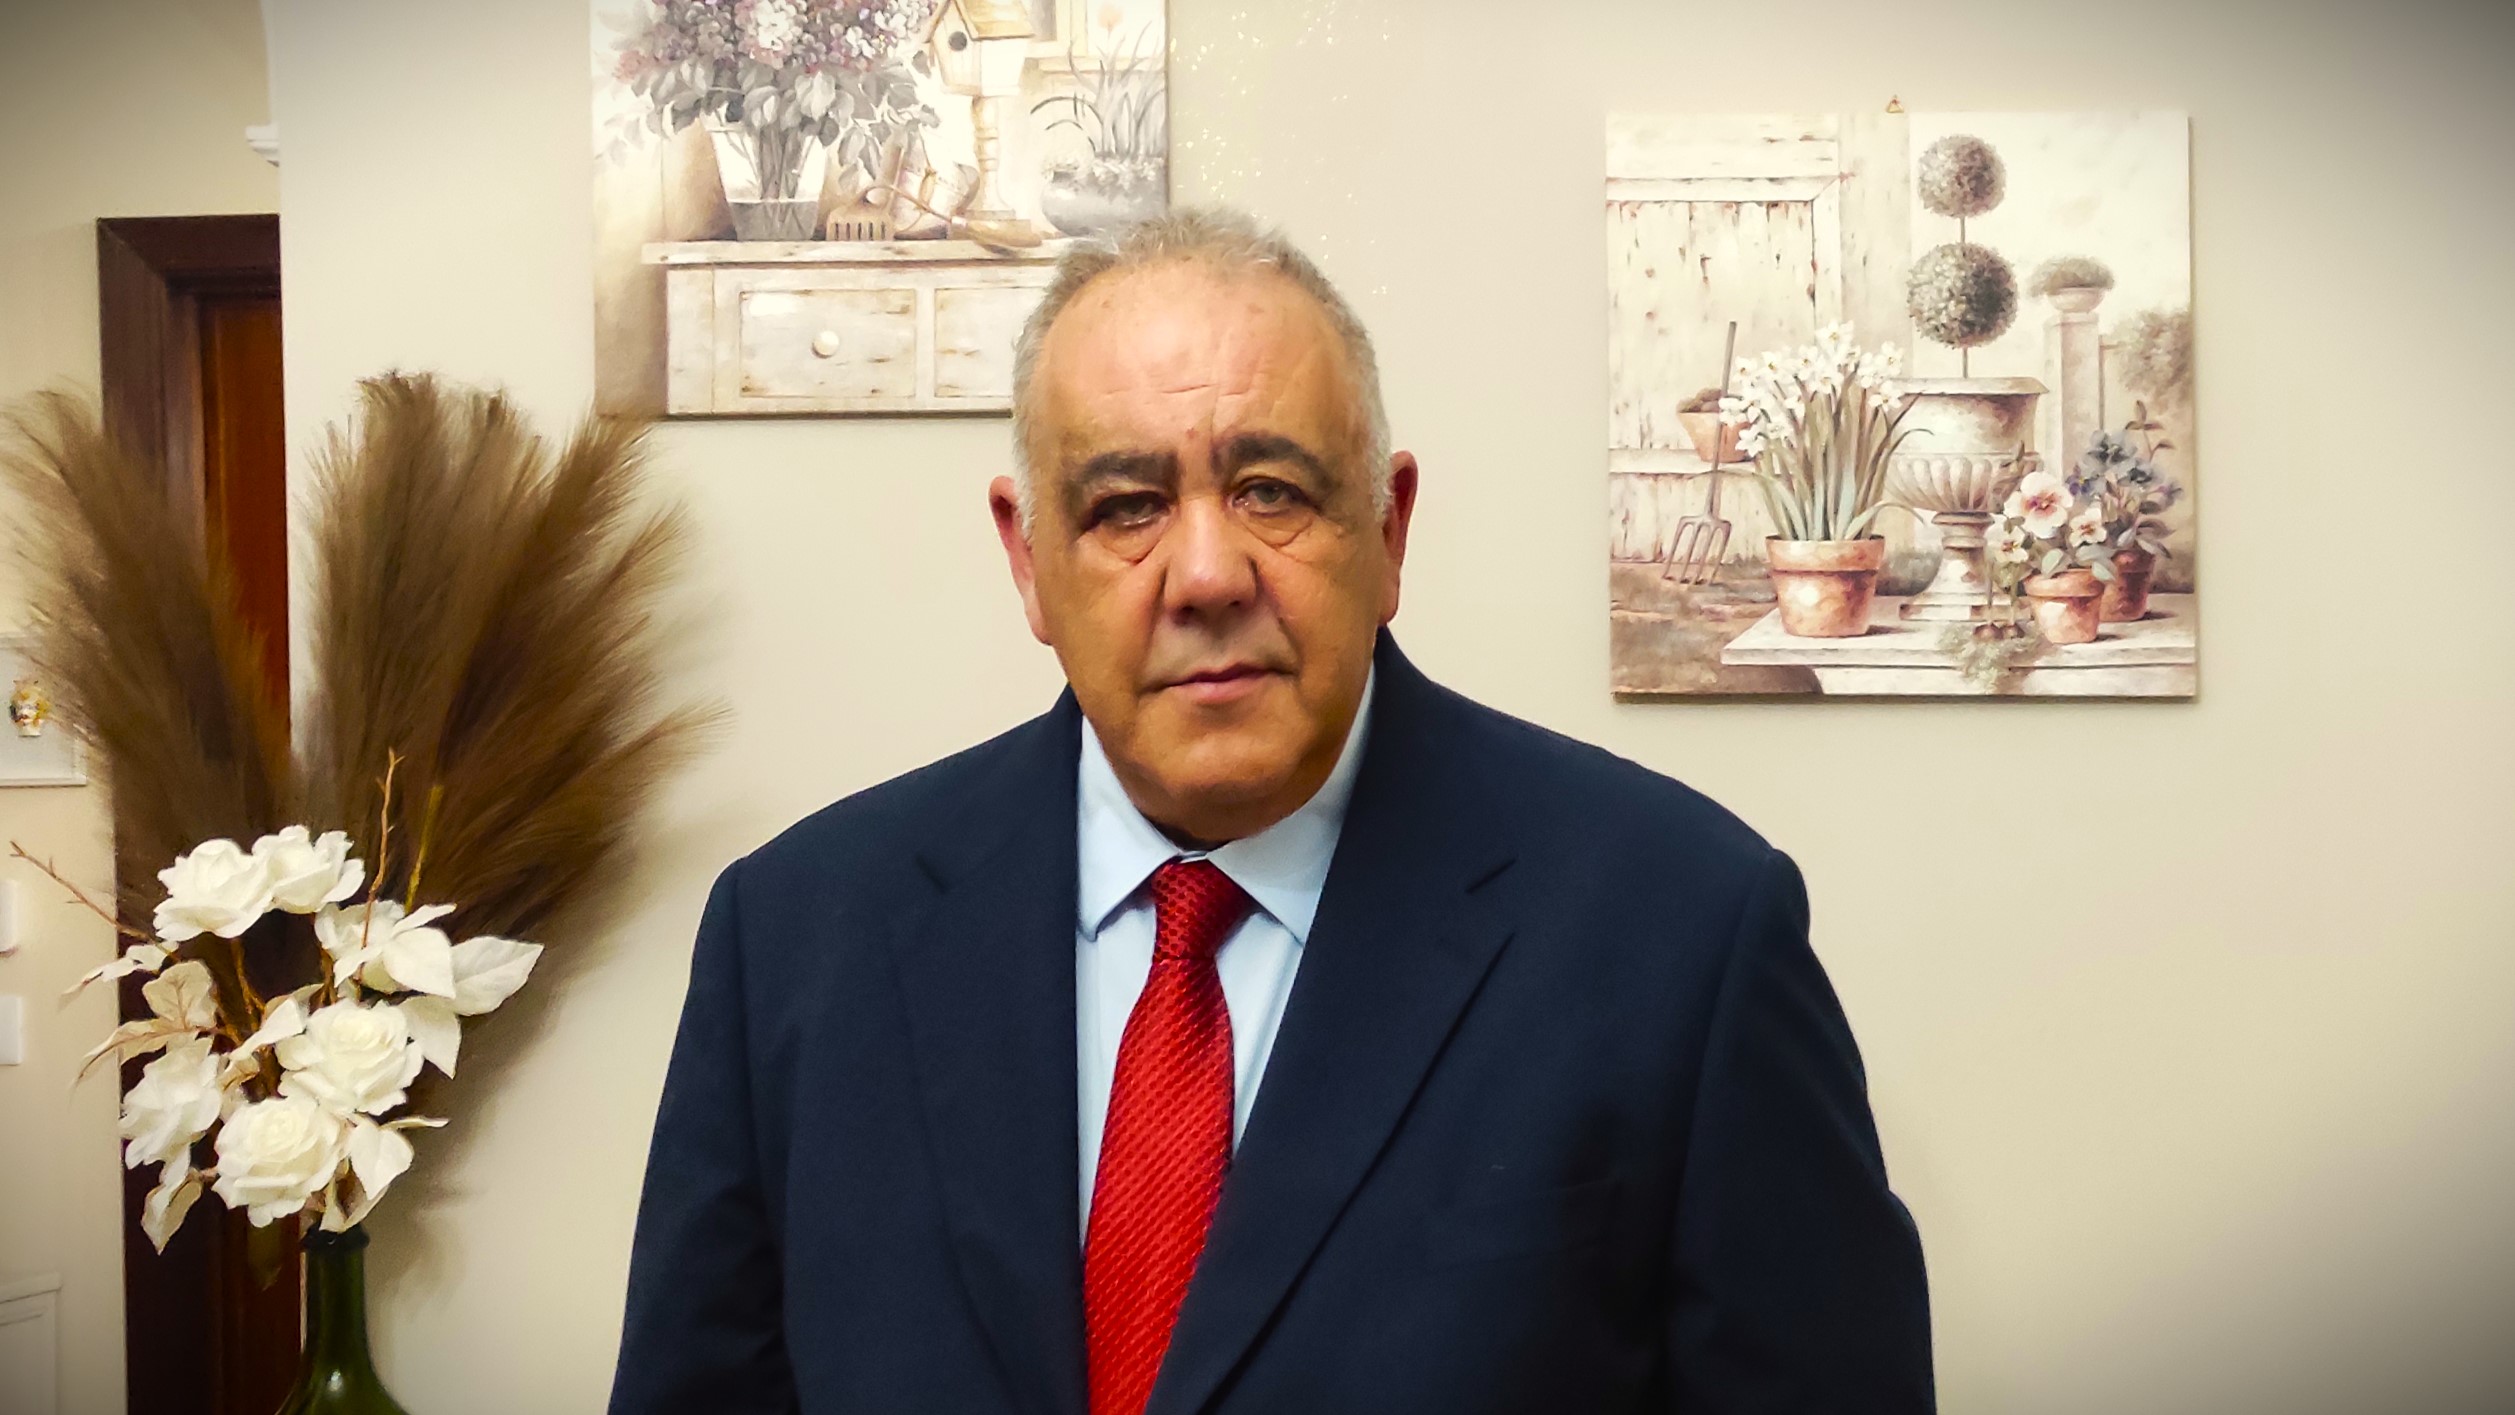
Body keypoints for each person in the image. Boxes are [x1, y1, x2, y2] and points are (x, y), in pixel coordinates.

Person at [608, 207, 1932, 1415]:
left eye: (1272, 492)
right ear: (1028, 561)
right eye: (1127, 507)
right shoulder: (796, 942)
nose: (1206, 574)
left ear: (1390, 529)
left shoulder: (1684, 934)